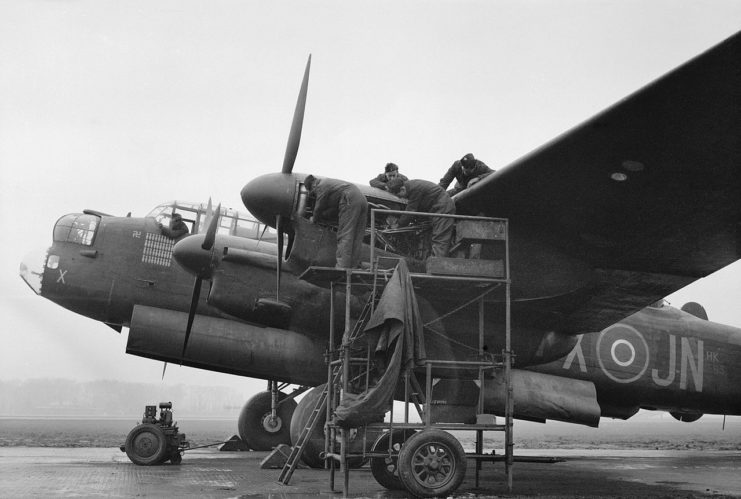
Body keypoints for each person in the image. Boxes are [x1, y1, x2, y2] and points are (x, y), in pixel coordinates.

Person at [305, 174, 368, 268]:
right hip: (362, 199)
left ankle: (341, 267)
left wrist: (313, 219)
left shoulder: (321, 185)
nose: (314, 193)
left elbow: (319, 207)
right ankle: (354, 266)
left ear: (313, 184)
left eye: (312, 191)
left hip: (349, 199)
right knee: (357, 236)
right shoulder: (329, 183)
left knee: (345, 235)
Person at [386, 178, 455, 258]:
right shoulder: (409, 186)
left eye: (398, 195)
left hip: (443, 208)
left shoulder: (415, 189)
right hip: (436, 209)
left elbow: (411, 210)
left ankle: (436, 267)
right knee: (434, 238)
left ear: (402, 189)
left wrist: (398, 225)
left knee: (440, 239)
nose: (400, 198)